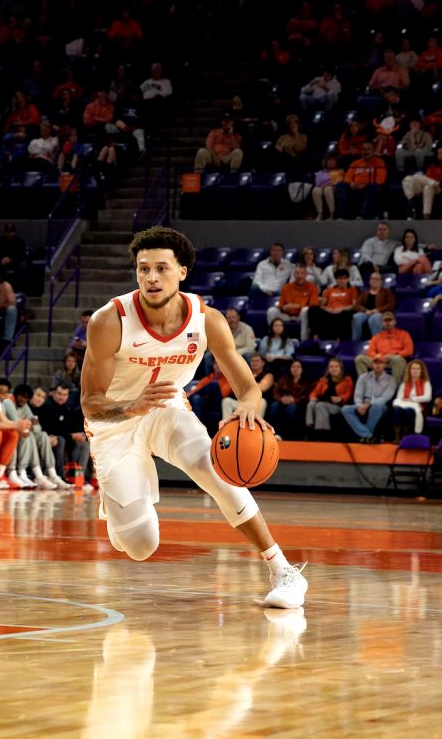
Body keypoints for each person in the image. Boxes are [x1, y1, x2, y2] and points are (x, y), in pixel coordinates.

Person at [79, 226, 307, 607]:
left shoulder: (207, 320)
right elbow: (89, 404)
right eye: (143, 269)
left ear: (182, 271)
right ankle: (118, 497)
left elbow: (249, 390)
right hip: (115, 423)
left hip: (167, 408)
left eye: (162, 268)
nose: (151, 277)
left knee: (215, 466)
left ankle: (283, 570)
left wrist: (245, 410)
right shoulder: (109, 321)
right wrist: (132, 407)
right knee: (140, 546)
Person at [341, 357, 396, 442]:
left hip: (380, 406)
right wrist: (359, 405)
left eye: (380, 363)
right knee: (345, 409)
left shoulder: (391, 380)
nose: (378, 365)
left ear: (385, 365)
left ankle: (366, 435)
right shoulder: (363, 377)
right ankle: (367, 435)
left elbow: (385, 398)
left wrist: (369, 404)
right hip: (363, 404)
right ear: (371, 365)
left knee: (378, 405)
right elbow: (358, 394)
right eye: (375, 363)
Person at [356, 312, 413, 382]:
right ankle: (366, 384)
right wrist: (378, 356)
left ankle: (394, 388)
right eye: (385, 321)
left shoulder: (403, 334)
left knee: (398, 359)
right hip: (379, 360)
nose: (387, 323)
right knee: (359, 359)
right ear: (382, 323)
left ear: (395, 322)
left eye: (390, 320)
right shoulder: (377, 336)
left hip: (393, 360)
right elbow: (370, 352)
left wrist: (394, 355)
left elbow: (409, 350)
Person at [306, 358, 353, 436]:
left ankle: (322, 433)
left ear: (341, 368)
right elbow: (314, 392)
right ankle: (310, 428)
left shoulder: (347, 379)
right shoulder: (324, 380)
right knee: (311, 403)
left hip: (338, 406)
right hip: (323, 403)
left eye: (336, 366)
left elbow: (349, 393)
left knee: (320, 405)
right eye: (331, 367)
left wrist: (341, 398)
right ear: (328, 369)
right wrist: (312, 397)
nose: (333, 368)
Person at [391, 359, 432, 438]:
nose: (415, 371)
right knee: (397, 409)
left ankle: (407, 436)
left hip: (419, 407)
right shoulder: (405, 383)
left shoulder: (426, 383)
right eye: (413, 369)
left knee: (408, 411)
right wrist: (407, 401)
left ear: (421, 371)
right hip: (404, 404)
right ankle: (397, 436)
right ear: (409, 370)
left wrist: (412, 399)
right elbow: (399, 397)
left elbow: (428, 397)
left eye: (417, 369)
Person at [351, 270, 395, 340]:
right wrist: (365, 310)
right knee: (356, 317)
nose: (375, 281)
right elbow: (356, 305)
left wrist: (378, 310)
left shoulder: (386, 292)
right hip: (366, 312)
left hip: (379, 313)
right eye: (373, 279)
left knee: (374, 319)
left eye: (377, 279)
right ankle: (355, 341)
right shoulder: (365, 293)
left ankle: (378, 341)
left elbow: (391, 304)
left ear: (381, 282)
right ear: (370, 281)